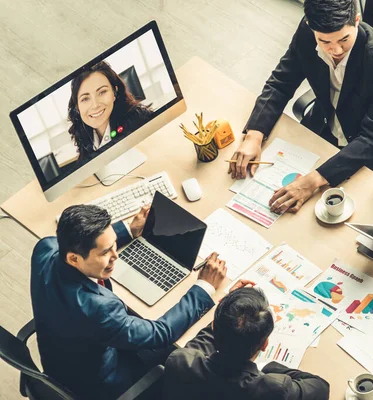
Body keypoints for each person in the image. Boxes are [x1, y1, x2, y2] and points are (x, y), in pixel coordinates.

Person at [30, 204, 226, 399]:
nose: (116, 256)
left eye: (113, 244)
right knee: (180, 354)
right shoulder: (99, 309)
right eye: (105, 252)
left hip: (60, 359)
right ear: (74, 259)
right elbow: (161, 332)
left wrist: (128, 231)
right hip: (98, 384)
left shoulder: (45, 248)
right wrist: (203, 287)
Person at [228, 0, 373, 214]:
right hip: (323, 128)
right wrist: (254, 135)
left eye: (344, 39)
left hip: (363, 152)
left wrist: (312, 181)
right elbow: (281, 82)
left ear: (356, 21)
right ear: (311, 27)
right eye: (324, 41)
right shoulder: (307, 32)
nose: (335, 49)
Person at [162, 286, 330, 400]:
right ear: (265, 345)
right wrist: (269, 368)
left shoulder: (182, 361)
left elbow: (203, 342)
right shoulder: (274, 389)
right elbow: (321, 387)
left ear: (214, 326)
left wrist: (229, 310)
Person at [67, 60, 153, 161]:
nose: (95, 105)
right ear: (77, 106)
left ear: (114, 92)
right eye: (85, 99)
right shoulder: (83, 136)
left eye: (102, 92)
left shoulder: (140, 122)